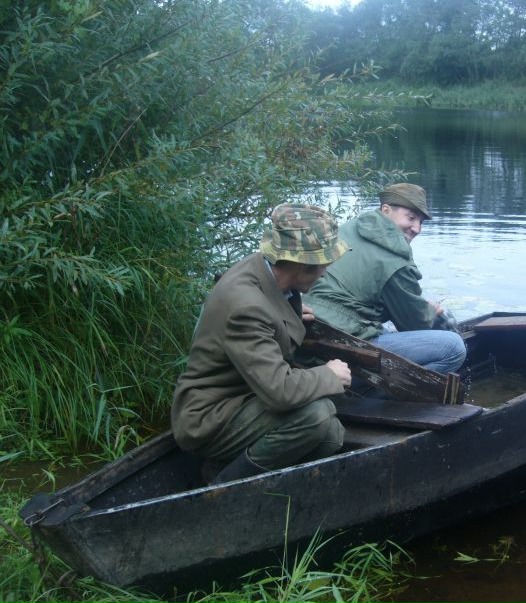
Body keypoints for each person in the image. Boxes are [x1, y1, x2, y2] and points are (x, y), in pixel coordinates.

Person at [171, 204, 352, 484]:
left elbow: (266, 316)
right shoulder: (246, 306)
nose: (325, 273)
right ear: (303, 264)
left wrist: (287, 312)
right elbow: (280, 392)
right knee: (316, 416)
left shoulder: (264, 272)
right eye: (324, 263)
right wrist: (329, 374)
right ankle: (222, 483)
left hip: (242, 398)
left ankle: (254, 475)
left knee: (331, 435)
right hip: (210, 419)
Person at [303, 183, 466, 374]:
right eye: (411, 218)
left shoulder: (351, 227)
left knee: (387, 332)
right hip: (344, 339)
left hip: (309, 325)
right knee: (454, 347)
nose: (417, 228)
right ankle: (381, 396)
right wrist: (431, 311)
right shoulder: (396, 259)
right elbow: (414, 324)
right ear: (386, 209)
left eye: (421, 222)